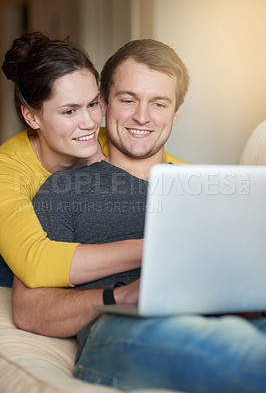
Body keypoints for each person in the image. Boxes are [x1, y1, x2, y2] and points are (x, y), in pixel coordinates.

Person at [13, 39, 266, 393]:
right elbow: (29, 310)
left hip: (225, 319)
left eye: (158, 103)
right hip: (122, 331)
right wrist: (123, 296)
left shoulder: (210, 190)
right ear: (103, 103)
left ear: (175, 114)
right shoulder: (63, 190)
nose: (142, 117)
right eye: (128, 99)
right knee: (244, 354)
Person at [1, 31, 175, 288]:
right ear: (32, 117)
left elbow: (171, 172)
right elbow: (36, 264)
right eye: (70, 111)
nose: (90, 123)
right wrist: (160, 247)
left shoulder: (110, 138)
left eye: (93, 104)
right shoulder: (9, 170)